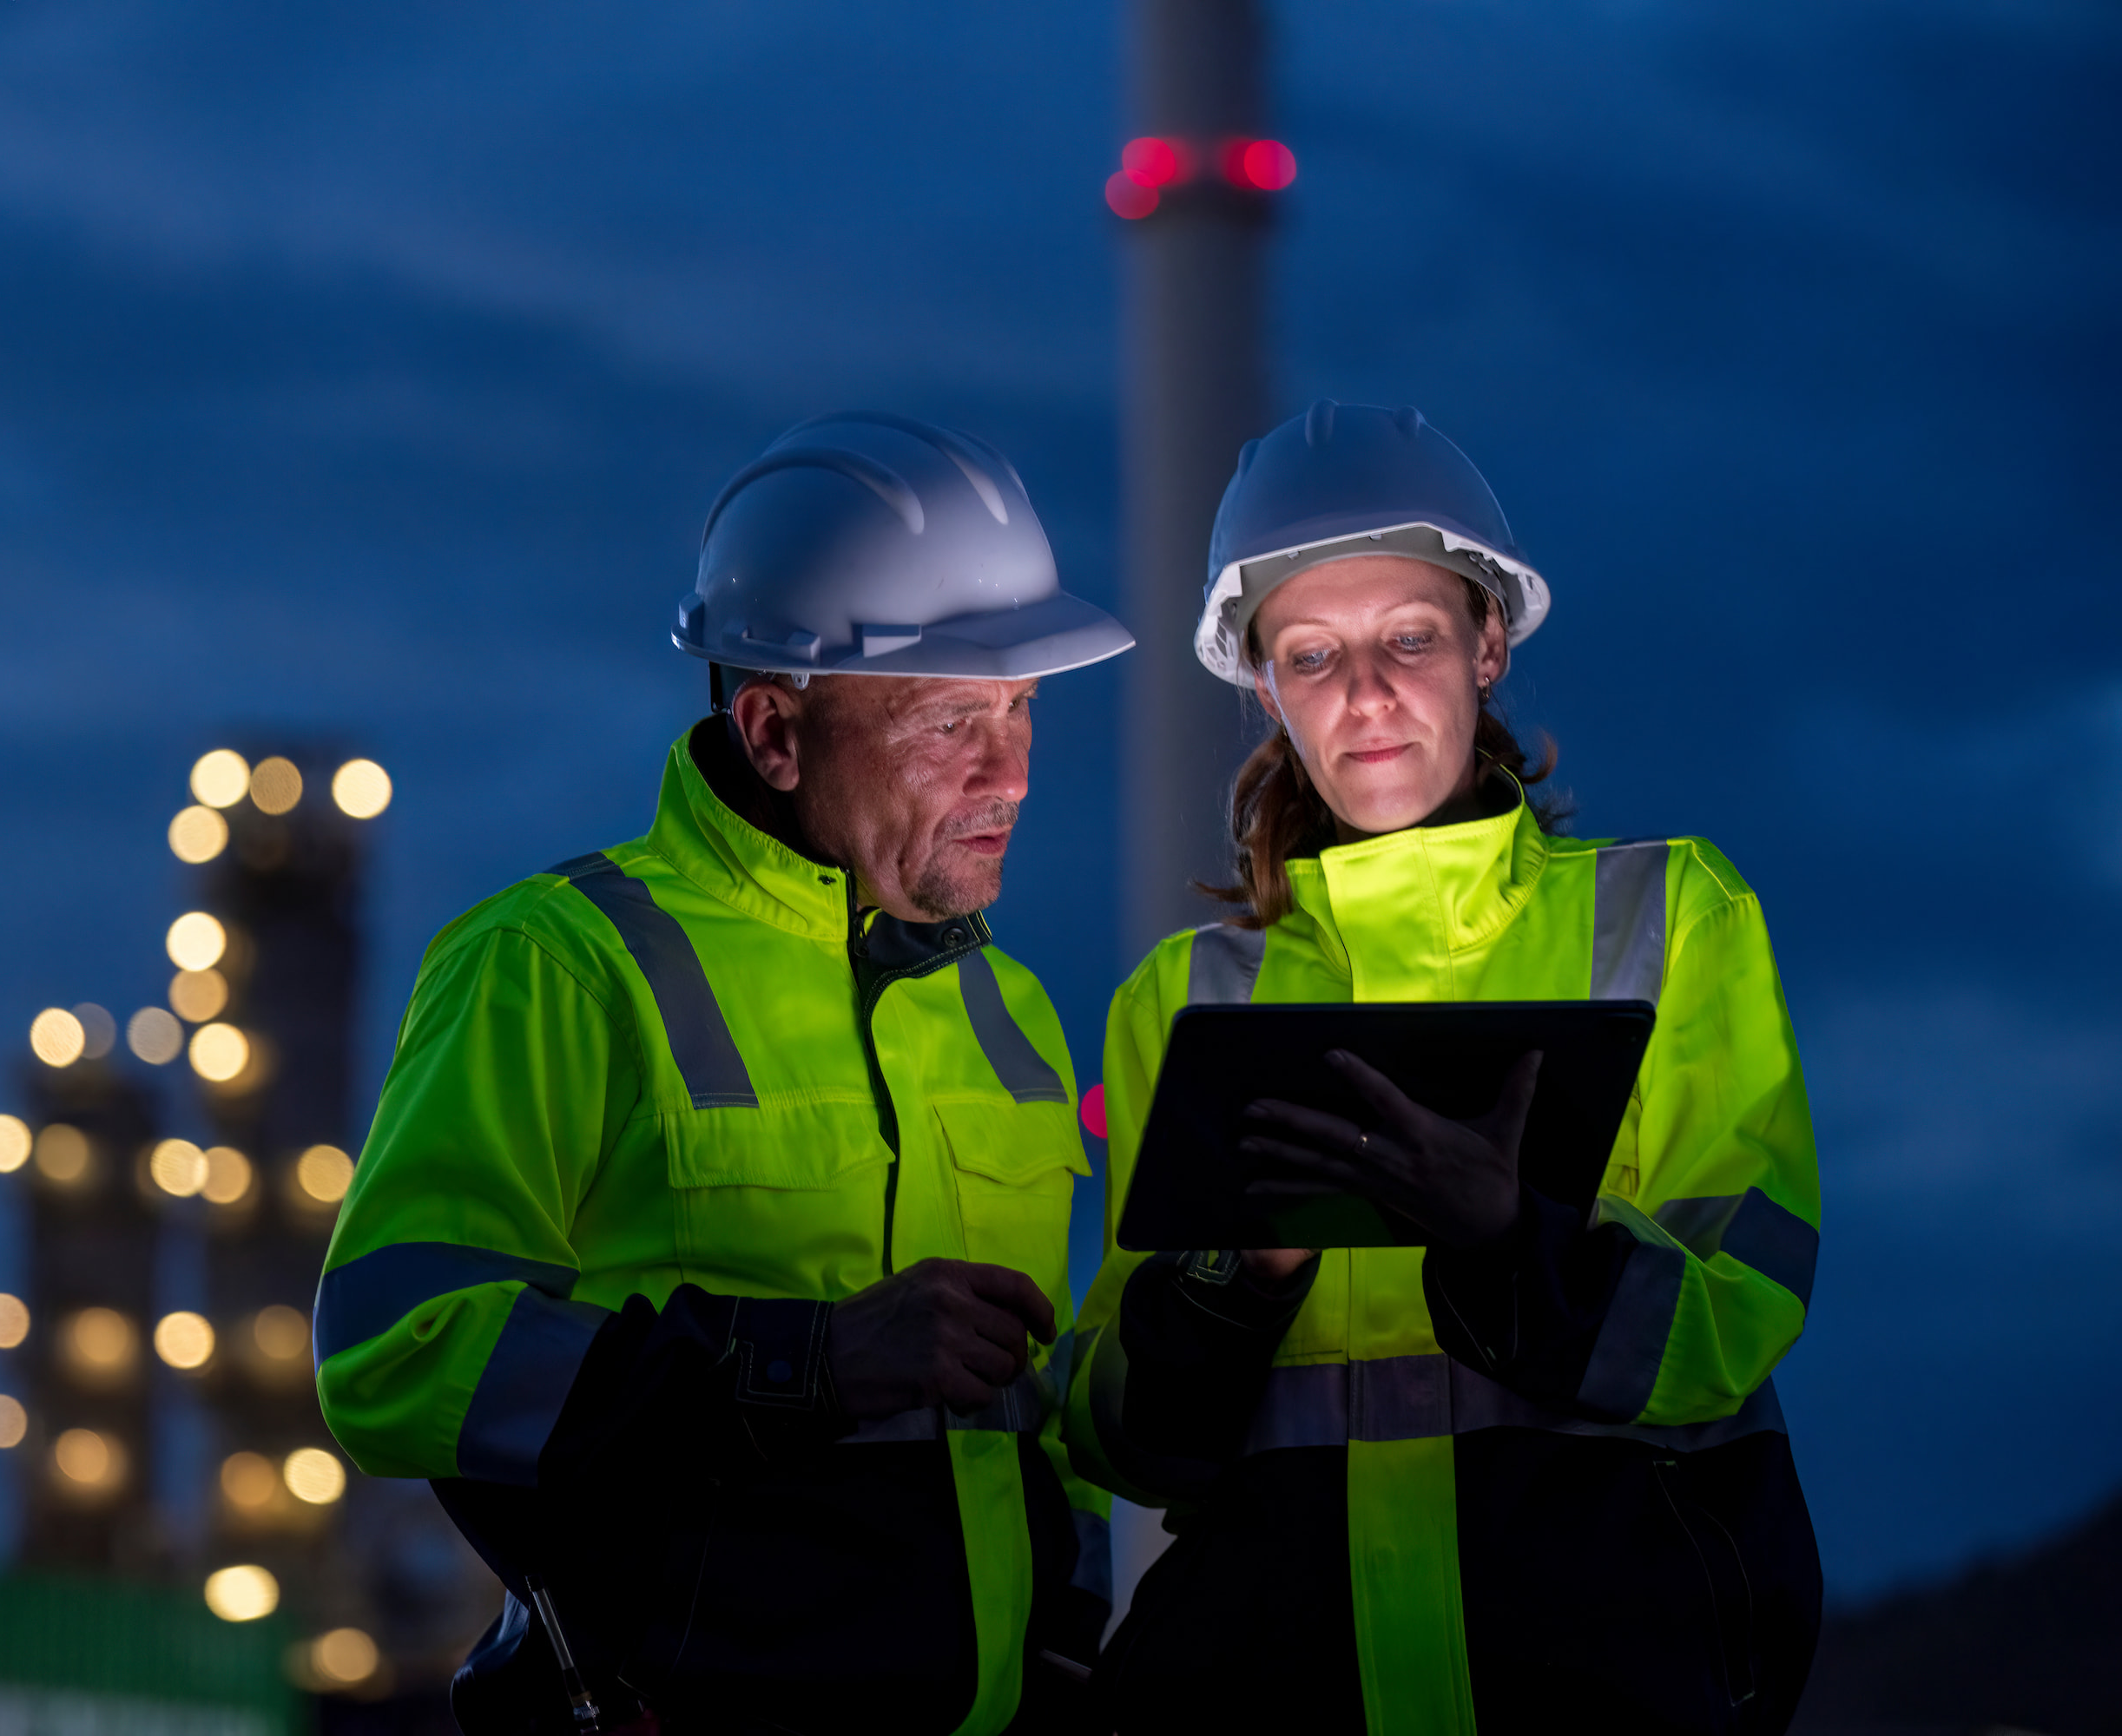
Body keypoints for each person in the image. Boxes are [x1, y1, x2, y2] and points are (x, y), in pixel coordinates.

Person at [314, 413, 1133, 1734]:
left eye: (1022, 710)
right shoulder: (560, 964)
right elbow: (392, 1348)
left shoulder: (1008, 1007)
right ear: (773, 734)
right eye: (948, 726)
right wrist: (795, 1362)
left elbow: (1028, 1428)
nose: (1012, 775)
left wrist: (1070, 1659)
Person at [1063, 401, 1822, 1734]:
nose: (1363, 694)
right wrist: (1243, 1278)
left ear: (1488, 642)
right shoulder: (1185, 1000)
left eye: (1409, 639)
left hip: (1603, 1692)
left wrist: (1508, 1247)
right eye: (1313, 655)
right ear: (1264, 684)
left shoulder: (1669, 918)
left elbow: (1739, 1309)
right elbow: (1120, 1434)